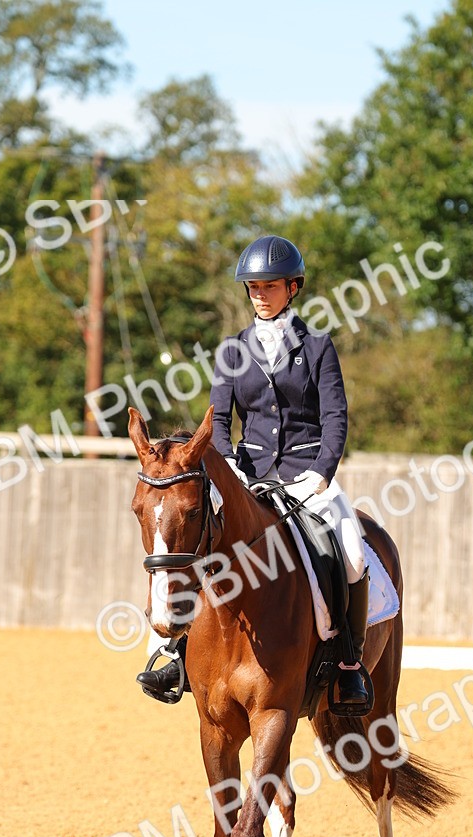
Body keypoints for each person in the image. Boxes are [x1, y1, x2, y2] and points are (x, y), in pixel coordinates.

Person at [137, 234, 372, 713]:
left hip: (308, 475)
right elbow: (218, 422)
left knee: (350, 550)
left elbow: (335, 421)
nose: (259, 294)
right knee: (194, 539)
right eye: (253, 287)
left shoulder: (320, 347)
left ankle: (349, 662)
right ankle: (172, 651)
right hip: (249, 475)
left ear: (293, 287)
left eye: (269, 286)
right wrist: (230, 475)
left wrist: (321, 474)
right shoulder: (231, 351)